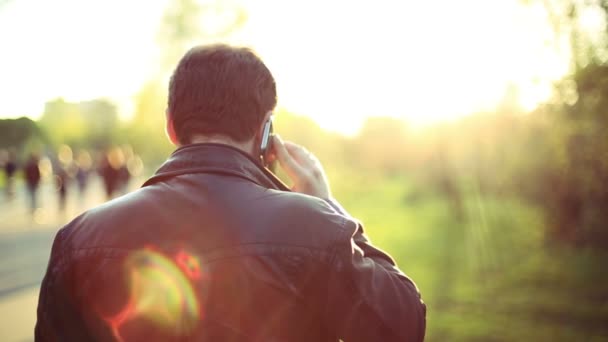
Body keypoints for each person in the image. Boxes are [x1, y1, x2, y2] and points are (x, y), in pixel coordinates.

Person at [35, 44, 426, 341]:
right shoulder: (316, 226)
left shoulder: (79, 239)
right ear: (265, 132)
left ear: (171, 127)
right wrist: (329, 205)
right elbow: (403, 323)